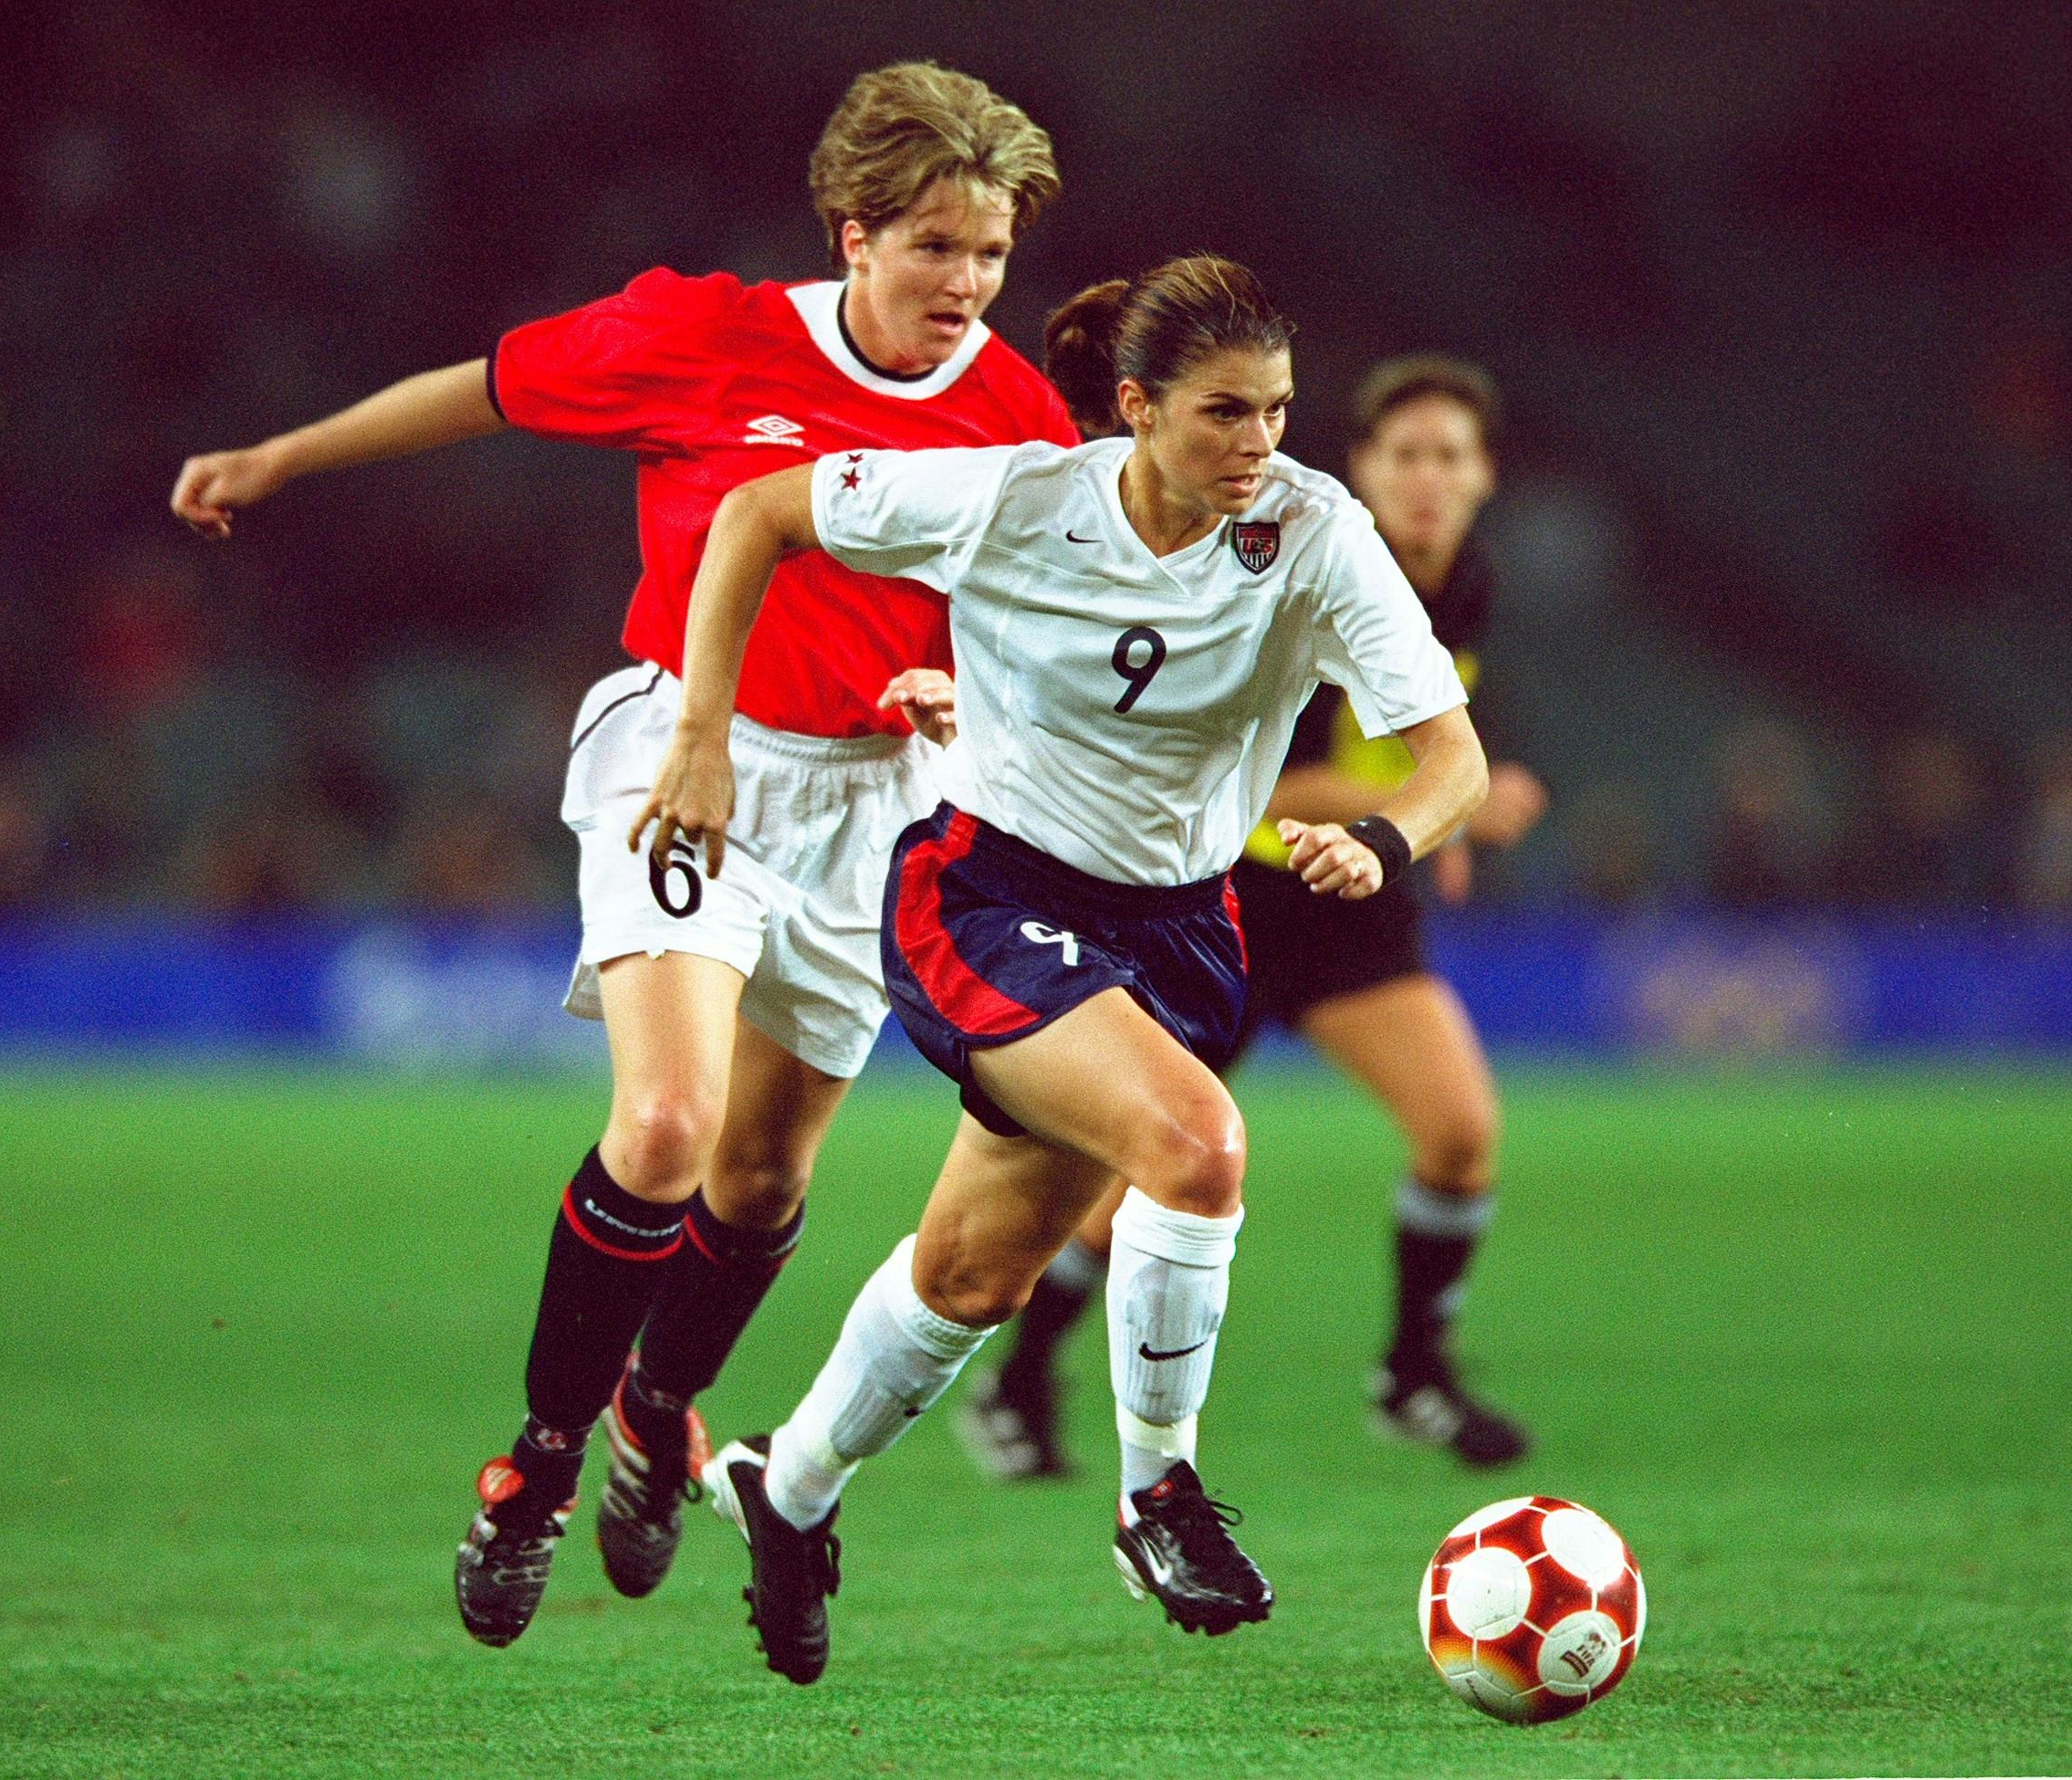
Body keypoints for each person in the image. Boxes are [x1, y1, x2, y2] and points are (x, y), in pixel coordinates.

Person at [168, 62, 1076, 1649]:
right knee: (663, 1125)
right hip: (685, 758)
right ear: (853, 234)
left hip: (877, 802)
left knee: (765, 1174)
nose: (965, 283)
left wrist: (962, 696)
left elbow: (1040, 625)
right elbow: (489, 388)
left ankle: (657, 1409)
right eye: (935, 246)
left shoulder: (1017, 417)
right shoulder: (708, 337)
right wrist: (283, 459)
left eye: (989, 254)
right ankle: (535, 1465)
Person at [628, 257, 1488, 1682]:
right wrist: (701, 732)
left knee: (974, 1276)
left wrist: (1386, 840)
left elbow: (1452, 758)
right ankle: (1159, 1495)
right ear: (1137, 409)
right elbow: (758, 511)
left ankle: (791, 1488)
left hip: (1179, 930)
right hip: (988, 897)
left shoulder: (1314, 530)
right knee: (1198, 1145)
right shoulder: (1017, 497)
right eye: (1224, 413)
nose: (1260, 443)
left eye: (1278, 410)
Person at [960, 355, 1550, 1478]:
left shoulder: (1464, 582)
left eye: (1451, 456)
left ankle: (1413, 1375)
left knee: (1461, 1133)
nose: (1428, 479)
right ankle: (1018, 1381)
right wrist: (1424, 805)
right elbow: (1262, 784)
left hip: (1350, 897)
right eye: (1405, 455)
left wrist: (1434, 825)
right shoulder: (1302, 565)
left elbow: (1409, 747)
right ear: (1362, 468)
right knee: (1135, 1180)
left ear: (1485, 475)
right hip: (1225, 898)